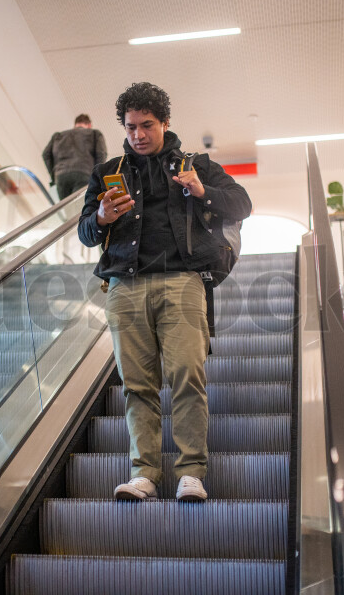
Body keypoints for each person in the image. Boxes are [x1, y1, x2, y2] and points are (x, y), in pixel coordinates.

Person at [77, 82, 252, 501]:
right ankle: (145, 475)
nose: (138, 134)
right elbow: (85, 233)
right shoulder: (106, 173)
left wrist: (202, 190)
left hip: (182, 282)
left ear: (165, 123)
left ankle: (191, 473)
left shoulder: (196, 165)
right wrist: (100, 217)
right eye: (131, 126)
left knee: (188, 375)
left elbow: (242, 204)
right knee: (137, 385)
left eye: (147, 125)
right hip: (124, 286)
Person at [43, 114, 106, 200]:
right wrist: (96, 177)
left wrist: (54, 176)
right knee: (80, 205)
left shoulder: (58, 136)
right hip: (83, 173)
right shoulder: (94, 134)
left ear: (75, 124)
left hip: (61, 176)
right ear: (89, 125)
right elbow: (101, 154)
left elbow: (46, 154)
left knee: (68, 206)